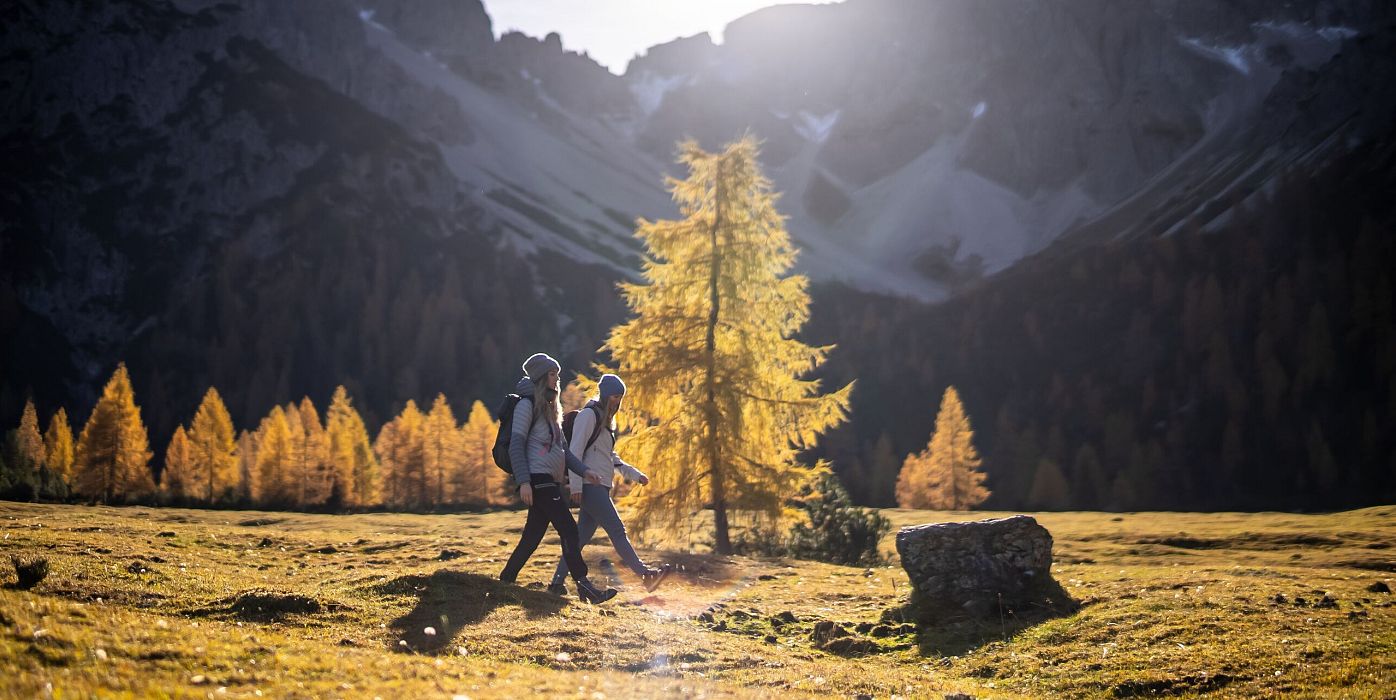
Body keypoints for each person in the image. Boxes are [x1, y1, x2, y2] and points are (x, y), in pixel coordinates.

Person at [498, 353, 617, 604]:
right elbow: (516, 446)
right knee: (570, 530)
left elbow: (563, 450)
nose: (557, 378)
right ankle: (585, 587)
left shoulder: (552, 408)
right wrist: (524, 482)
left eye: (557, 374)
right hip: (537, 479)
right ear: (541, 377)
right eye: (553, 374)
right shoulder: (526, 405)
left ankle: (505, 580)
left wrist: (585, 471)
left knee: (531, 537)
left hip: (549, 481)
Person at [548, 374, 671, 596]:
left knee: (579, 539)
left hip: (601, 485)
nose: (617, 401)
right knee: (617, 530)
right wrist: (576, 486)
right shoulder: (589, 415)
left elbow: (610, 457)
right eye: (614, 396)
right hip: (589, 485)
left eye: (620, 397)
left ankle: (556, 583)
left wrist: (635, 474)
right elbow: (574, 450)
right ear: (605, 395)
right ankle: (645, 575)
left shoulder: (606, 421)